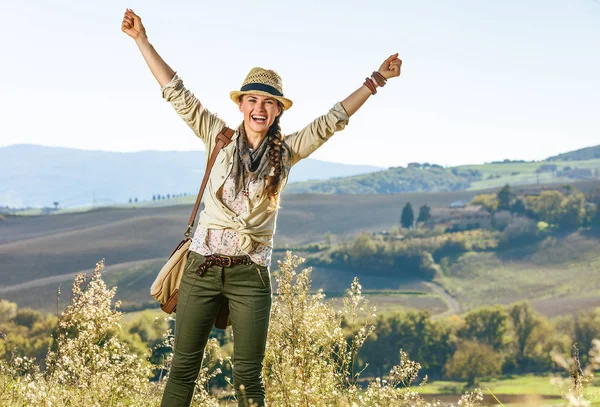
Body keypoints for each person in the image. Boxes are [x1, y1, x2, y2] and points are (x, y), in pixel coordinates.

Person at [121, 8, 401, 407]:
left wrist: (376, 80)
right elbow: (176, 92)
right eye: (252, 99)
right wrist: (141, 40)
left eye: (269, 103)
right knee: (183, 369)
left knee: (248, 377)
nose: (260, 108)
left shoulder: (285, 154)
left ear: (278, 112)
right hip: (200, 269)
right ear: (241, 106)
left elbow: (331, 120)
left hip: (250, 276)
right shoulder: (216, 137)